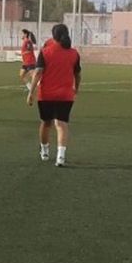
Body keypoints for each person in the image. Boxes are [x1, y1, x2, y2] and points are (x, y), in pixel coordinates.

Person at [28, 22, 81, 167]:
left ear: (53, 36)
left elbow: (38, 73)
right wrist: (76, 88)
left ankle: (44, 151)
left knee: (46, 123)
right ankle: (61, 157)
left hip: (46, 95)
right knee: (61, 124)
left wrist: (31, 92)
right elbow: (77, 74)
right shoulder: (74, 53)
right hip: (65, 95)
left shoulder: (45, 52)